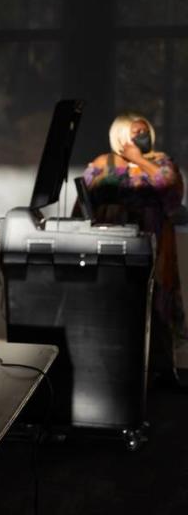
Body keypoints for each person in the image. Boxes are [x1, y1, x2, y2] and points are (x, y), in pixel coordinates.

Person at [82, 112, 186, 382]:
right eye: (136, 132)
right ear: (120, 135)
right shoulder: (103, 163)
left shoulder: (161, 162)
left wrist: (139, 160)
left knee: (157, 304)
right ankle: (114, 371)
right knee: (115, 304)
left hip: (155, 244)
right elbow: (86, 198)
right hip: (113, 243)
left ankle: (162, 371)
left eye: (145, 131)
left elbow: (171, 190)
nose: (143, 136)